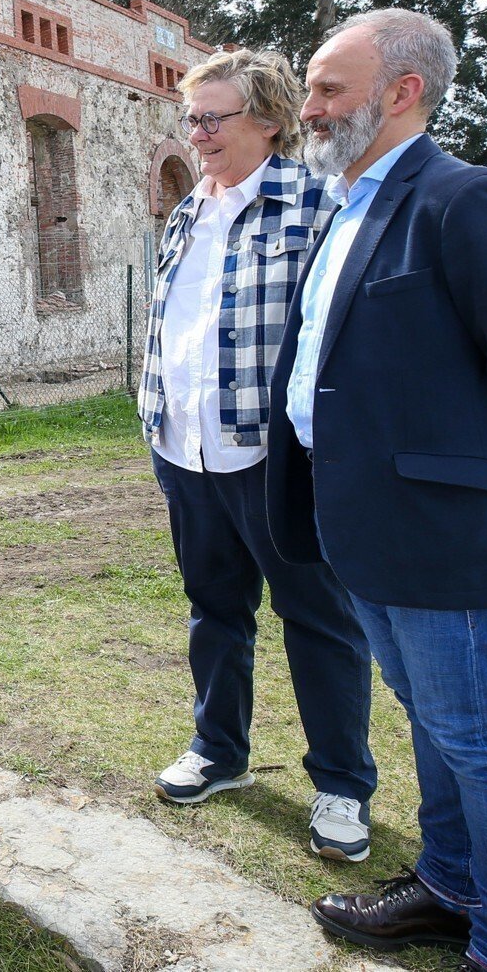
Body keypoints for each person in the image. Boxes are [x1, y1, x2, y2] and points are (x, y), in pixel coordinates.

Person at [266, 9, 487, 972]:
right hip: (358, 519)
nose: (310, 109)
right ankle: (449, 886)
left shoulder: (464, 199)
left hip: (439, 530)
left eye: (329, 89)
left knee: (478, 738)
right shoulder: (349, 206)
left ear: (402, 92)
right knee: (431, 719)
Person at [136, 48, 376, 861]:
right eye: (191, 119)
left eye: (214, 118)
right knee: (213, 609)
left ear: (269, 121)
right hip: (186, 449)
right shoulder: (184, 216)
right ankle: (219, 751)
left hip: (279, 459)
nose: (197, 133)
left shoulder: (318, 204)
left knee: (318, 619)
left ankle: (342, 785)